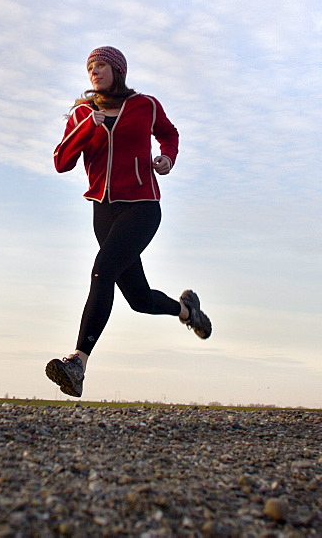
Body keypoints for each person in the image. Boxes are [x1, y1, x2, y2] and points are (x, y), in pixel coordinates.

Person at [46, 46, 211, 398]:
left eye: (101, 65)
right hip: (103, 212)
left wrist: (167, 158)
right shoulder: (81, 114)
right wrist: (86, 128)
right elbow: (61, 161)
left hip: (142, 207)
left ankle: (77, 363)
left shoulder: (145, 105)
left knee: (101, 271)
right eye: (90, 67)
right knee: (138, 298)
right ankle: (186, 310)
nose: (95, 72)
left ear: (117, 70)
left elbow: (169, 133)